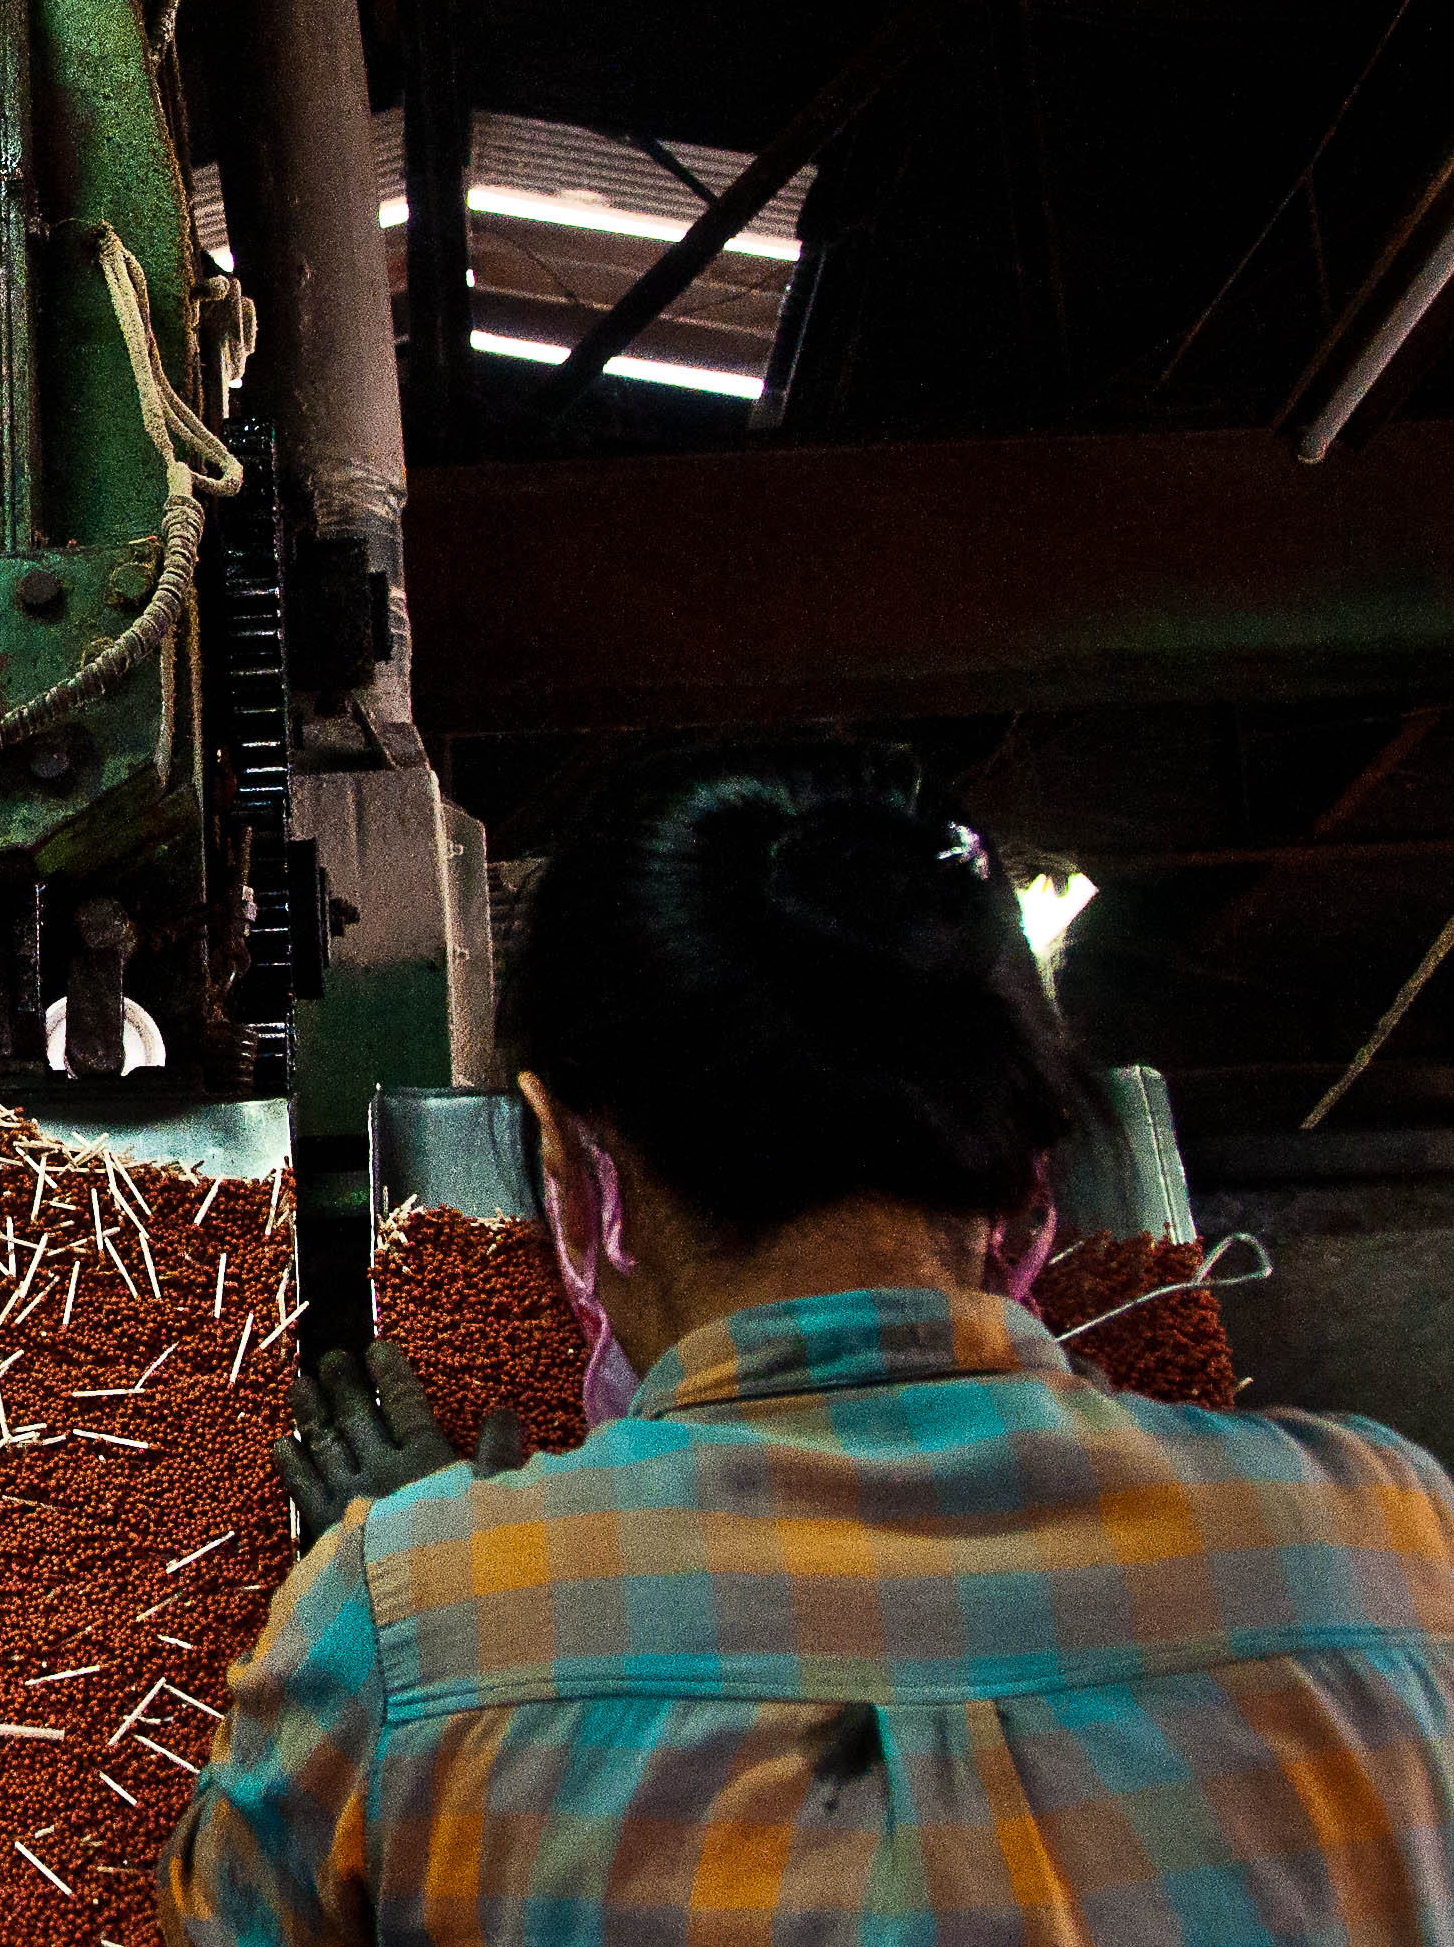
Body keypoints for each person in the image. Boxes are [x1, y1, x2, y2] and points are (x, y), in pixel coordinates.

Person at [156, 738, 1454, 1944]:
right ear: (1028, 1172)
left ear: (569, 1167)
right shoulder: (1398, 1555)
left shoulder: (398, 1627)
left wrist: (456, 1598)